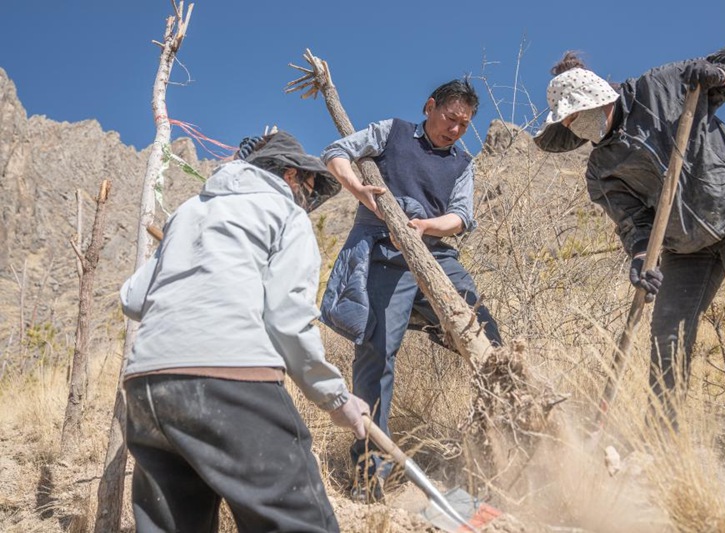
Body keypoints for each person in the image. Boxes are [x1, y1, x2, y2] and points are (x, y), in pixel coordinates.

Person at [534, 47, 725, 472]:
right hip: (687, 246)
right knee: (667, 335)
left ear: (600, 96)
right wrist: (641, 258)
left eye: (579, 114)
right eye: (570, 122)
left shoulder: (662, 85)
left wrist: (718, 73)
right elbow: (635, 226)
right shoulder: (601, 170)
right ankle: (663, 455)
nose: (578, 126)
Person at [120, 130, 365, 532]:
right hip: (229, 379)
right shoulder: (286, 214)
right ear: (290, 175)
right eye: (308, 186)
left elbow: (131, 298)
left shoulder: (188, 212)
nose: (309, 199)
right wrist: (337, 399)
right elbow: (287, 318)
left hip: (148, 386)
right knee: (297, 522)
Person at [319, 78, 503, 499]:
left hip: (435, 254)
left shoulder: (462, 162)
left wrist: (424, 227)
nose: (455, 129)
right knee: (377, 354)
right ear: (430, 106)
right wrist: (360, 191)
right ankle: (370, 473)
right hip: (385, 254)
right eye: (450, 118)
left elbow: (461, 217)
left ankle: (498, 444)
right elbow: (336, 152)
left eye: (465, 124)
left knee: (486, 336)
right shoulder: (393, 132)